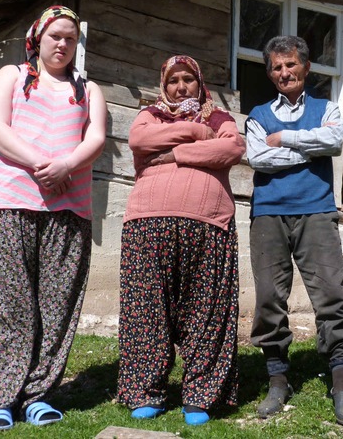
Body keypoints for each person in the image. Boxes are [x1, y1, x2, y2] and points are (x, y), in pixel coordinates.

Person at [0, 5, 107, 430]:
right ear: (39, 37)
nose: (63, 44)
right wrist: (42, 164)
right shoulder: (11, 77)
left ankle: (38, 394)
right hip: (10, 202)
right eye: (56, 36)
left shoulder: (88, 90)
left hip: (69, 209)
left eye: (71, 38)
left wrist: (66, 166)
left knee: (57, 306)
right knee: (12, 304)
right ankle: (1, 397)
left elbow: (97, 137)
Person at [117, 55, 245, 426]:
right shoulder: (150, 114)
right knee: (146, 308)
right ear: (164, 84)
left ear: (199, 83)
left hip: (209, 222)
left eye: (188, 79)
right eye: (174, 80)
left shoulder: (218, 116)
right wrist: (196, 134)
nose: (181, 87)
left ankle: (201, 395)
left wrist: (173, 154)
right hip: (147, 221)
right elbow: (140, 140)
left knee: (207, 309)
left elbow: (232, 149)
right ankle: (146, 390)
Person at [245, 35, 343, 426]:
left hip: (316, 210)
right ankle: (277, 379)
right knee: (268, 299)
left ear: (305, 67)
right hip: (269, 214)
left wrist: (289, 139)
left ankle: (342, 381)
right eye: (276, 67)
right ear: (270, 72)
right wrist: (306, 149)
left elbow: (335, 139)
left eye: (290, 65)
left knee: (330, 294)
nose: (284, 73)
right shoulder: (259, 114)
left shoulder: (326, 107)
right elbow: (258, 157)